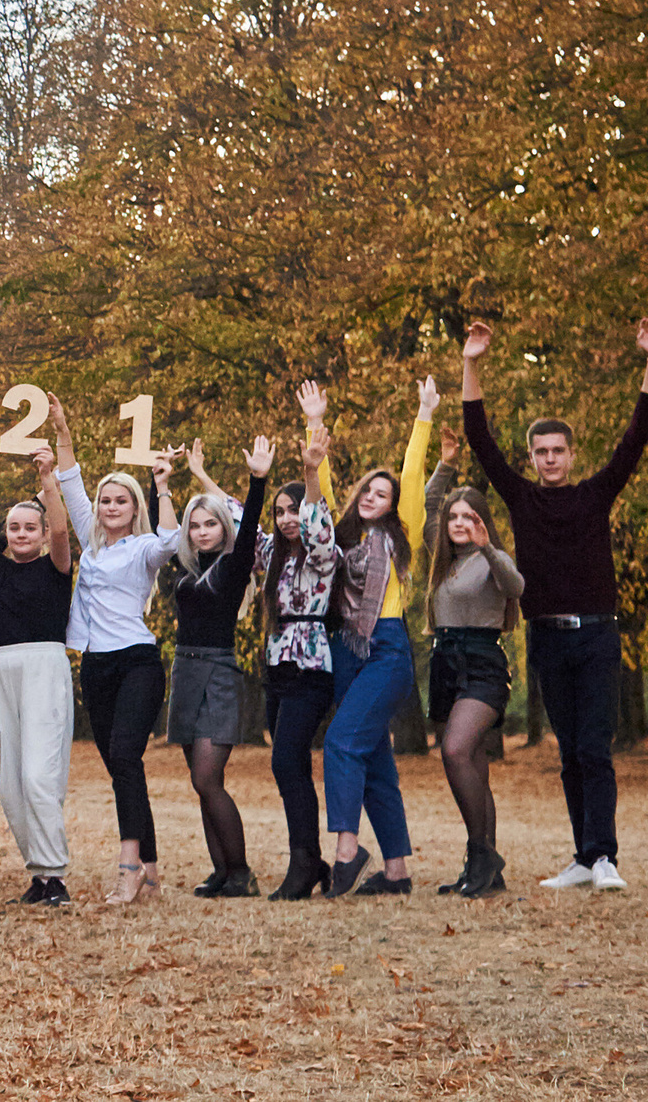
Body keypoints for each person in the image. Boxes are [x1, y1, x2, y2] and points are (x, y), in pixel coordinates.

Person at [461, 316, 648, 892]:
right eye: (540, 452)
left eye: (558, 451)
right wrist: (472, 364)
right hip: (547, 637)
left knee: (595, 748)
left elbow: (636, 438)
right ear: (531, 458)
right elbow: (480, 438)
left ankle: (604, 858)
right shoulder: (522, 498)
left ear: (572, 455)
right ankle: (582, 857)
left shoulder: (596, 494)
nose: (549, 459)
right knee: (570, 752)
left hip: (598, 634)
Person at [297, 377, 427, 897]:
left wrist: (423, 415)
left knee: (342, 743)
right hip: (345, 651)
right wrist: (314, 423)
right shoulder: (341, 536)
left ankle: (347, 852)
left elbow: (414, 476)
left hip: (387, 648)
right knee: (373, 759)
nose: (376, 497)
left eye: (385, 494)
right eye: (369, 491)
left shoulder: (399, 535)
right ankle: (396, 873)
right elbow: (320, 487)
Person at [52, 392, 181, 905]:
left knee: (126, 755)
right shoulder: (92, 540)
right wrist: (62, 428)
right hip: (96, 664)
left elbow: (173, 541)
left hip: (138, 663)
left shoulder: (143, 547)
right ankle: (151, 868)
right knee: (122, 767)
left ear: (134, 508)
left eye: (120, 501)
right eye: (105, 501)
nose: (109, 507)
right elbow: (70, 483)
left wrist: (163, 485)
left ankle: (128, 867)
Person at [0, 422, 75, 906]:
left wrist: (49, 480)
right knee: (11, 789)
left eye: (31, 527)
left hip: (45, 669)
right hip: (1, 670)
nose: (22, 534)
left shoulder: (57, 566)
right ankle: (40, 874)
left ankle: (57, 876)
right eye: (16, 528)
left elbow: (63, 525)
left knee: (39, 778)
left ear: (43, 535)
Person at [162, 437, 269, 898]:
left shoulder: (232, 566)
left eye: (211, 524)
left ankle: (241, 872)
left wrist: (258, 481)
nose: (203, 531)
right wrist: (162, 486)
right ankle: (221, 871)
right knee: (200, 783)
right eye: (196, 525)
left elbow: (248, 535)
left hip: (219, 675)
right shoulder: (183, 568)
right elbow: (162, 534)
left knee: (209, 778)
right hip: (185, 673)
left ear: (224, 528)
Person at [422, 433, 520, 898]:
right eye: (454, 517)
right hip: (445, 661)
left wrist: (487, 547)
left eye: (469, 516)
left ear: (481, 522)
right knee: (474, 766)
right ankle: (485, 870)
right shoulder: (441, 558)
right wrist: (445, 464)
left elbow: (516, 586)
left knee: (456, 751)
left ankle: (482, 856)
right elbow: (429, 502)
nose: (459, 522)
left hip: (482, 663)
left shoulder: (490, 560)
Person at [256, 457, 339, 901]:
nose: (288, 519)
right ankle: (309, 858)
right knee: (292, 763)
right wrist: (200, 476)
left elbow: (318, 527)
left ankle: (305, 862)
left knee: (286, 760)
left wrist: (310, 474)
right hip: (278, 663)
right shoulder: (271, 554)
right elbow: (237, 519)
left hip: (311, 665)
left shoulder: (323, 556)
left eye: (294, 510)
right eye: (280, 512)